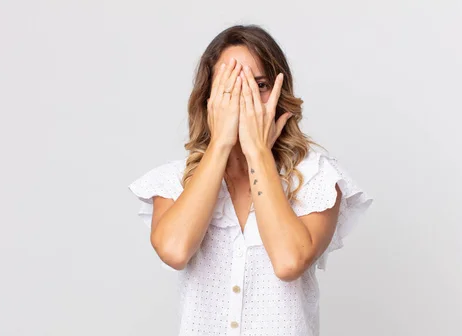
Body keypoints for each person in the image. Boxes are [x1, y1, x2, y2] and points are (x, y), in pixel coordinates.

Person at [127, 24, 373, 336]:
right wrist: (220, 145)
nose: (246, 98)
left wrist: (258, 151)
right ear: (208, 97)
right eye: (231, 86)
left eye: (259, 84)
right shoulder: (174, 180)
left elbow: (288, 262)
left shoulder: (318, 178)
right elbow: (175, 251)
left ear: (279, 94)